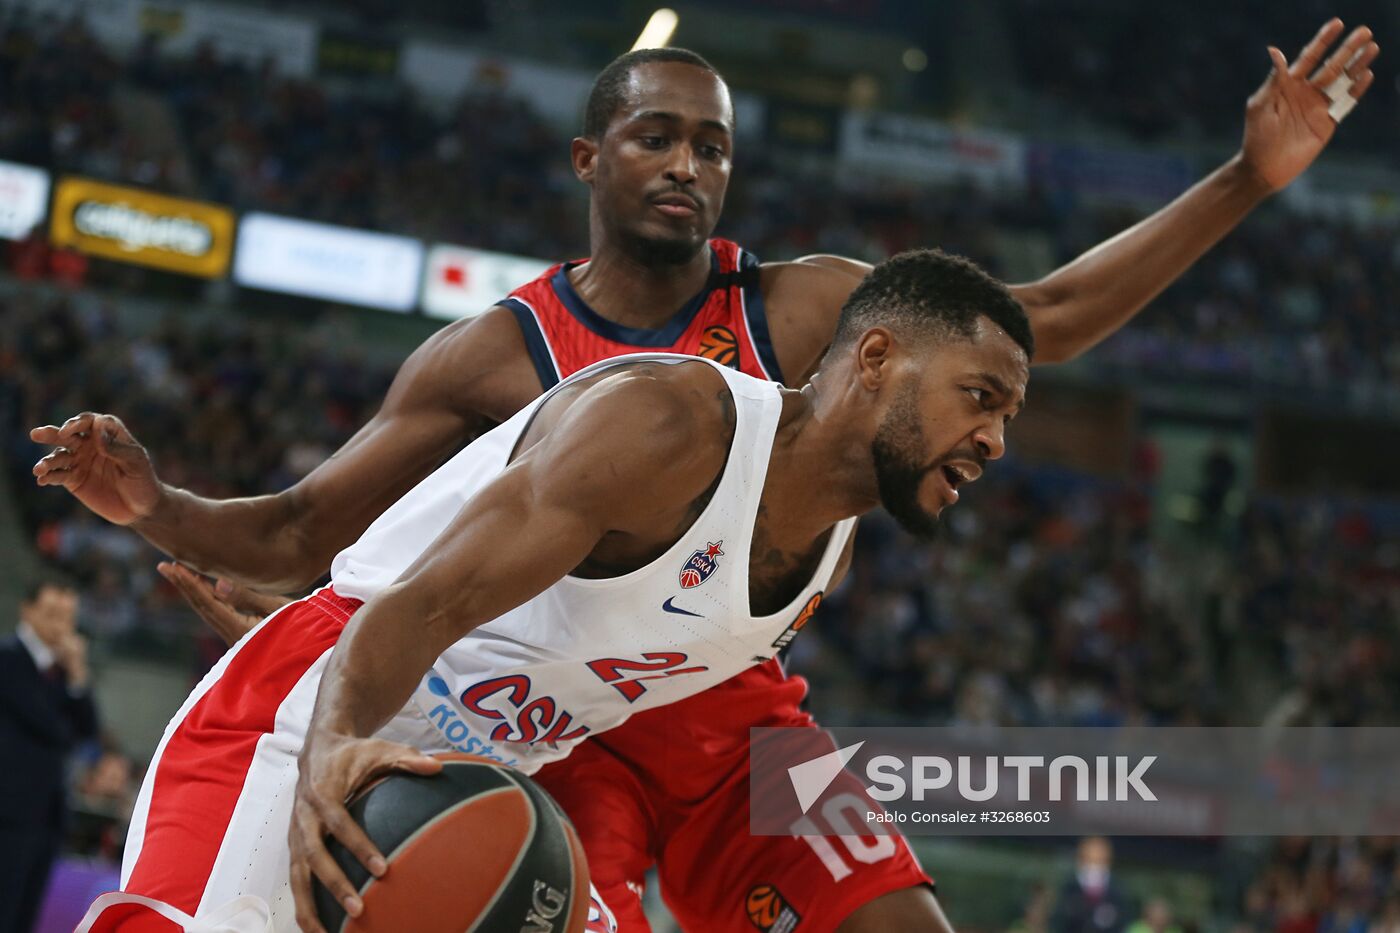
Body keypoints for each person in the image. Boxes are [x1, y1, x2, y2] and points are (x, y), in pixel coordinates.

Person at [31, 20, 1379, 930]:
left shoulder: (813, 314)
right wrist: (173, 516)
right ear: (590, 159)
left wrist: (1245, 179)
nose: (688, 165)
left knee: (898, 912)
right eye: (659, 138)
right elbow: (321, 534)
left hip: (715, 699)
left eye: (713, 146)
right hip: (557, 717)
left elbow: (1040, 319)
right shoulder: (513, 361)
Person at [77, 248, 1029, 933]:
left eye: (1008, 416)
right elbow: (414, 607)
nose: (994, 440)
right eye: (979, 397)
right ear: (875, 360)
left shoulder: (829, 558)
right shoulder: (670, 425)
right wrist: (331, 747)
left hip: (480, 792)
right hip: (320, 719)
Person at [0, 577, 98, 933]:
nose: (61, 625)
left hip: (47, 815)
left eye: (68, 617)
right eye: (52, 613)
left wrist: (79, 674)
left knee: (24, 917)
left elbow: (88, 730)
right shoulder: (8, 659)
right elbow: (53, 729)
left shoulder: (64, 672)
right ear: (27, 610)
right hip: (7, 813)